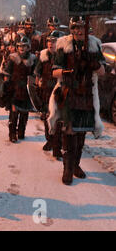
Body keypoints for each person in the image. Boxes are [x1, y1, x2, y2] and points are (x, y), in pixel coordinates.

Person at [48, 17, 105, 185]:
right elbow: (54, 71)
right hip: (69, 93)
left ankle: (76, 164)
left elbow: (102, 71)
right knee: (70, 131)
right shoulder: (63, 45)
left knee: (81, 133)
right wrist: (66, 72)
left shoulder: (94, 44)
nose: (80, 31)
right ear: (72, 29)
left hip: (87, 94)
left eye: (82, 27)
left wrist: (93, 64)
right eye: (76, 27)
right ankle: (67, 168)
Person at [2, 36, 37, 143]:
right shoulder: (12, 58)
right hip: (14, 88)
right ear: (17, 47)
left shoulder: (32, 59)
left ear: (28, 47)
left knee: (24, 113)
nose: (22, 48)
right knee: (14, 113)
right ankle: (12, 133)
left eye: (24, 46)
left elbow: (35, 75)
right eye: (20, 46)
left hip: (26, 90)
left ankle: (21, 131)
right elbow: (7, 73)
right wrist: (6, 85)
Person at [34, 31, 62, 159]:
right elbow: (38, 72)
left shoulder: (63, 55)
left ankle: (57, 144)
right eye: (49, 41)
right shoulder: (43, 55)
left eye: (54, 41)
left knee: (57, 118)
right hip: (46, 90)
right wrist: (38, 81)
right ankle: (49, 140)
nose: (51, 44)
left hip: (59, 90)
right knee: (47, 116)